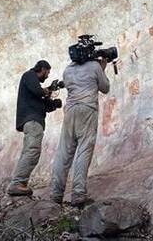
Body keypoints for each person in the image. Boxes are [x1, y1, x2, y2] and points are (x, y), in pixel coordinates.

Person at [50, 58, 110, 206]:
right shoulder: (94, 66)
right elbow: (105, 87)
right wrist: (102, 68)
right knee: (84, 150)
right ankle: (78, 194)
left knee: (64, 152)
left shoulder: (68, 69)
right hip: (87, 109)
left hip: (70, 110)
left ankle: (56, 194)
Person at [7, 60, 53, 196]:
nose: (48, 76)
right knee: (32, 151)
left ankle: (20, 183)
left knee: (29, 151)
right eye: (48, 72)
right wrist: (47, 90)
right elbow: (37, 91)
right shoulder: (29, 75)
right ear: (43, 69)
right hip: (32, 121)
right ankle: (17, 183)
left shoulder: (34, 85)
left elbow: (42, 102)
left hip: (33, 120)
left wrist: (51, 102)